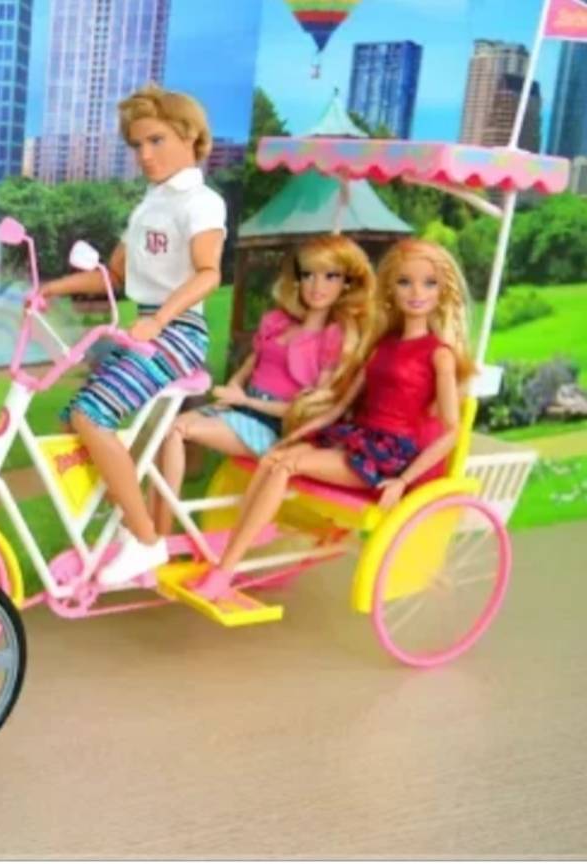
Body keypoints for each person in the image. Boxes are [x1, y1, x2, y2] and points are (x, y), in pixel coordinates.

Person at [191, 239, 475, 599]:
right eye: (405, 282)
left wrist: (403, 480)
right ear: (391, 289)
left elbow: (451, 431)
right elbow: (339, 409)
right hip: (358, 438)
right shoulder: (382, 346)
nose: (417, 293)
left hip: (388, 456)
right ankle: (237, 547)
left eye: (429, 283)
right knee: (275, 457)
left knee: (285, 465)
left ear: (442, 290)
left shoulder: (439, 355)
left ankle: (225, 570)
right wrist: (297, 435)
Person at [38, 84, 227, 588]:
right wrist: (53, 287)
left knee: (90, 414)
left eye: (156, 140)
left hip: (178, 333)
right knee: (73, 417)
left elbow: (209, 273)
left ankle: (145, 540)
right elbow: (114, 276)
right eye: (137, 145)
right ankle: (127, 515)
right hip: (147, 326)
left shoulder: (201, 203)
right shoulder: (149, 204)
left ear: (190, 137)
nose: (145, 154)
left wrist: (159, 321)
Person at [151, 234, 373, 536]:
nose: (317, 286)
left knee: (177, 430)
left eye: (330, 276)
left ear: (347, 283)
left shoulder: (332, 338)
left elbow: (309, 407)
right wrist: (234, 387)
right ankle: (153, 523)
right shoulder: (278, 322)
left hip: (274, 426)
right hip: (240, 409)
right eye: (308, 275)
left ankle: (159, 535)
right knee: (166, 432)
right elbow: (251, 364)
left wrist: (245, 401)